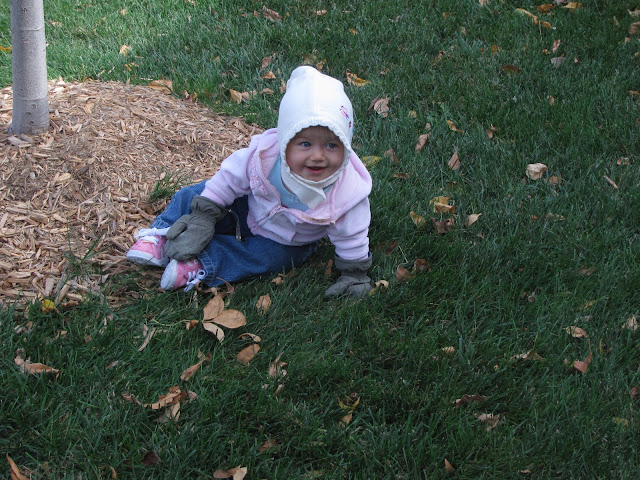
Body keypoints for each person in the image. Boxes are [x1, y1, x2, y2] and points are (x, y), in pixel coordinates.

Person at [126, 66, 373, 298]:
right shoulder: (264, 157)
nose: (318, 156)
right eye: (305, 144)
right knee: (196, 192)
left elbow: (352, 235)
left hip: (288, 239)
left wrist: (354, 272)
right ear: (286, 138)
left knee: (271, 258)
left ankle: (203, 261)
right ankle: (162, 233)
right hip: (246, 206)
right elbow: (228, 179)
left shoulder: (347, 192)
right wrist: (204, 215)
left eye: (331, 145)